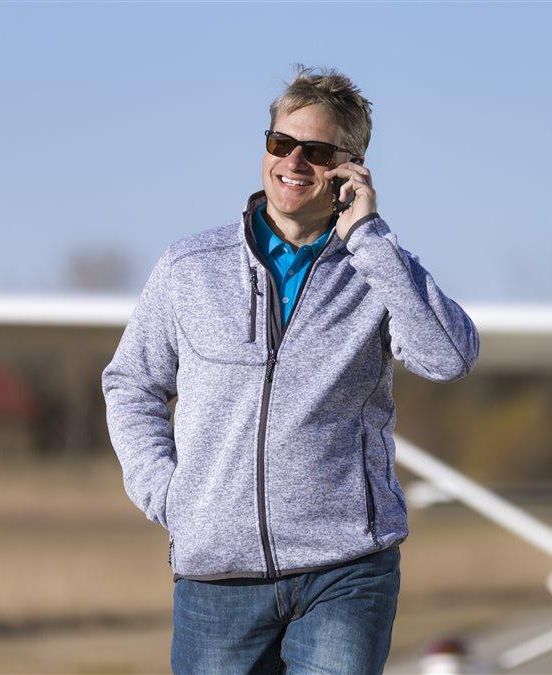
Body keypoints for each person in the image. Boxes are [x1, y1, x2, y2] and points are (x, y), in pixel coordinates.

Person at [101, 65, 479, 675]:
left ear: (351, 168)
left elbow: (449, 358)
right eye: (281, 143)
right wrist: (170, 495)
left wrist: (370, 238)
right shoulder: (189, 267)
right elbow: (132, 384)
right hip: (217, 577)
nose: (294, 161)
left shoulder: (377, 268)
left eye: (318, 151)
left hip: (346, 568)